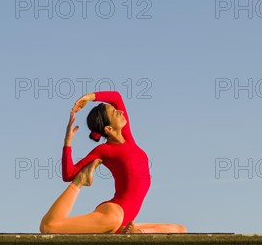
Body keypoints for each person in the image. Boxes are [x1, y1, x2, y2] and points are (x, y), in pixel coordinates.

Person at [39, 91, 187, 234]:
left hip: (125, 222)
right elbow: (68, 174)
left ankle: (136, 233)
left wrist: (89, 97)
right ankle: (82, 184)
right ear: (109, 129)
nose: (121, 112)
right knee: (49, 227)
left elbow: (116, 97)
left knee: (179, 230)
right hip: (114, 213)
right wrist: (67, 142)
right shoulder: (104, 150)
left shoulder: (127, 139)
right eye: (115, 113)